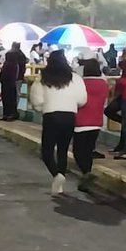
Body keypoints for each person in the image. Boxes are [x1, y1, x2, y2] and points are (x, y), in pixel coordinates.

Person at [29, 49, 87, 194]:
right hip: (69, 115)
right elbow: (82, 99)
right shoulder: (75, 78)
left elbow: (37, 100)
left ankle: (57, 175)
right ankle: (60, 181)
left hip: (51, 115)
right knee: (63, 150)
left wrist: (41, 108)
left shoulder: (43, 77)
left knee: (47, 151)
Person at [73, 59, 108, 183]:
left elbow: (76, 101)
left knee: (78, 152)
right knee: (88, 150)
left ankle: (86, 173)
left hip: (80, 122)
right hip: (96, 122)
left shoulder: (81, 83)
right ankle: (86, 174)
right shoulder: (104, 84)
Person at [0, 41, 27, 120]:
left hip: (11, 82)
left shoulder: (13, 64)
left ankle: (10, 113)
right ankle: (8, 113)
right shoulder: (17, 59)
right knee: (10, 98)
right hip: (11, 82)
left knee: (10, 98)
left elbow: (12, 73)